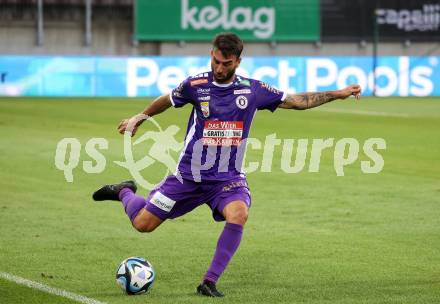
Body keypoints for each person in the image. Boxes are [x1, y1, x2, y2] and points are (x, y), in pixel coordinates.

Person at [93, 32, 361, 297]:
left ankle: (208, 282)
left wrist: (338, 94)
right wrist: (140, 117)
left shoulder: (253, 90)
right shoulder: (195, 85)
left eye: (227, 64)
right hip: (188, 176)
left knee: (239, 214)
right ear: (212, 55)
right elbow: (167, 100)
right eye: (216, 61)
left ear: (238, 62)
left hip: (227, 179)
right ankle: (123, 192)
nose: (220, 68)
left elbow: (296, 101)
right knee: (143, 224)